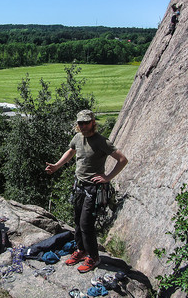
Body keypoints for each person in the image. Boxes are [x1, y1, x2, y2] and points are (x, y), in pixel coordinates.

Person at [45, 110, 128, 273]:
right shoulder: (78, 138)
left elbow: (122, 160)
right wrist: (56, 166)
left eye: (86, 122)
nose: (83, 126)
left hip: (93, 189)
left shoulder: (101, 141)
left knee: (86, 224)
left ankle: (94, 257)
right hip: (79, 186)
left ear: (93, 122)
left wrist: (108, 177)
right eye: (80, 123)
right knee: (77, 220)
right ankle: (81, 250)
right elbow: (71, 151)